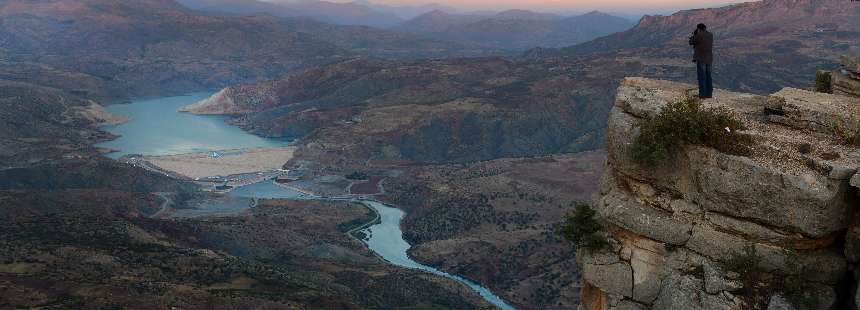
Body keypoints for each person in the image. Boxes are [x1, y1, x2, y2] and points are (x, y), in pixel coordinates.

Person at [689, 23, 714, 98]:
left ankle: (702, 95)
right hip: (709, 59)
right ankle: (709, 94)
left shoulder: (699, 35)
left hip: (701, 59)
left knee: (702, 76)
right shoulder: (710, 35)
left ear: (699, 29)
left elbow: (691, 42)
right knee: (708, 76)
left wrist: (694, 35)